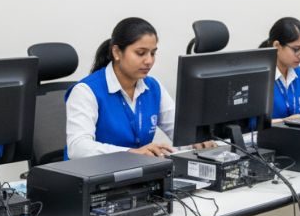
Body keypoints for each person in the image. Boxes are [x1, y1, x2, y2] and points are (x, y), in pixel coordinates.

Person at [65, 17, 206, 159]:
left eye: (152, 53)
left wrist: (196, 142)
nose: (149, 61)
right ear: (117, 52)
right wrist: (131, 153)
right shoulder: (86, 91)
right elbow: (78, 148)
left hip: (138, 174)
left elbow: (180, 132)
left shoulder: (153, 87)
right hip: (94, 175)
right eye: (140, 53)